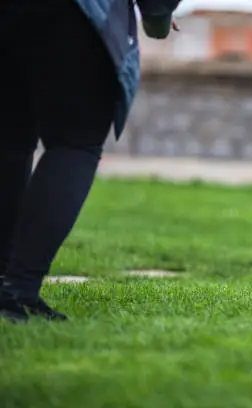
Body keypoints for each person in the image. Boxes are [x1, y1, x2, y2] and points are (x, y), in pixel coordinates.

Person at [0, 0, 181, 322]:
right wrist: (158, 16)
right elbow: (155, 14)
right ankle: (17, 290)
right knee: (74, 141)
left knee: (11, 138)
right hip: (75, 16)